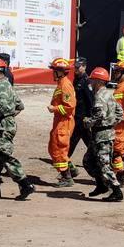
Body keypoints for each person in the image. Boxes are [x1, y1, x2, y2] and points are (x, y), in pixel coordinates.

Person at [0, 56, 35, 200]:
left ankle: (25, 184)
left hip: (1, 127)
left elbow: (4, 108)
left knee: (4, 155)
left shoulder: (0, 86)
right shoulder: (5, 85)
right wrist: (10, 117)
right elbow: (19, 106)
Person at [85, 67, 124, 201]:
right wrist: (111, 122)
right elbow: (120, 113)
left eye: (92, 79)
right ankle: (101, 185)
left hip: (102, 135)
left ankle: (116, 191)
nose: (90, 82)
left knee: (104, 165)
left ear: (97, 81)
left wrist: (88, 122)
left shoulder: (99, 97)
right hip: (103, 134)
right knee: (88, 161)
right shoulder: (109, 94)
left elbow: (98, 116)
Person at [47, 57, 80, 187]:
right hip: (60, 121)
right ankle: (71, 169)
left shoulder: (65, 84)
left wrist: (54, 108)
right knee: (54, 147)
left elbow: (69, 106)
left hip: (64, 122)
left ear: (60, 71)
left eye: (54, 70)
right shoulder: (61, 83)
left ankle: (67, 178)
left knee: (58, 149)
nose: (52, 73)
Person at [68, 58, 95, 169]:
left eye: (78, 67)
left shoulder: (86, 81)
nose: (76, 69)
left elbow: (91, 100)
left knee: (73, 139)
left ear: (84, 67)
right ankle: (97, 155)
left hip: (82, 116)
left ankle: (64, 158)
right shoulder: (77, 79)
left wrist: (90, 117)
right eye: (75, 67)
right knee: (88, 140)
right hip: (77, 114)